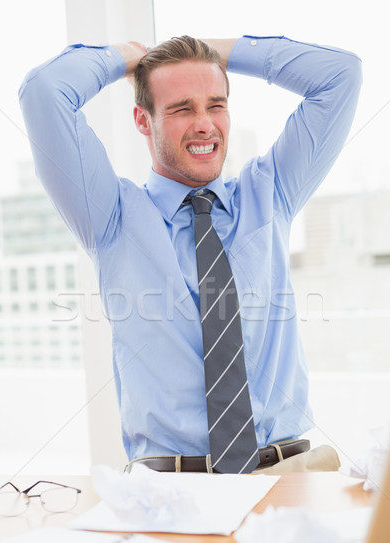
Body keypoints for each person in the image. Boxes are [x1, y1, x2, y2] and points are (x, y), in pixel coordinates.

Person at [19, 33, 362, 473]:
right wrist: (127, 58)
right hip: (172, 490)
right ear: (143, 121)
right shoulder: (111, 216)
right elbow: (45, 92)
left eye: (215, 105)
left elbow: (341, 76)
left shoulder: (269, 193)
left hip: (289, 474)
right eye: (182, 108)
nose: (204, 123)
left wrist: (218, 52)